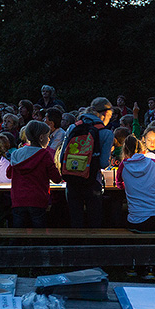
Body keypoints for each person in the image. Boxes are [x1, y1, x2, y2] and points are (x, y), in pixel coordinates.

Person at [59, 97, 114, 228]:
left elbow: (62, 157)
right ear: (105, 113)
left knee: (75, 219)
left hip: (72, 180)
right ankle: (93, 246)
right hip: (92, 182)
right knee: (94, 220)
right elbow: (102, 163)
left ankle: (76, 246)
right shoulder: (106, 133)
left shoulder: (73, 127)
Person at [116, 134, 155, 233]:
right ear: (143, 150)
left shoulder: (123, 166)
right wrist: (154, 182)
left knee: (119, 214)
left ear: (125, 152)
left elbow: (119, 185)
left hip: (137, 222)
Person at [7, 121, 62, 228]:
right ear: (41, 137)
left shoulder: (17, 154)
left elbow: (9, 174)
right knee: (39, 231)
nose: (49, 139)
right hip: (38, 199)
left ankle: (15, 244)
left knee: (19, 230)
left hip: (18, 199)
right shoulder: (44, 154)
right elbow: (56, 178)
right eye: (48, 136)